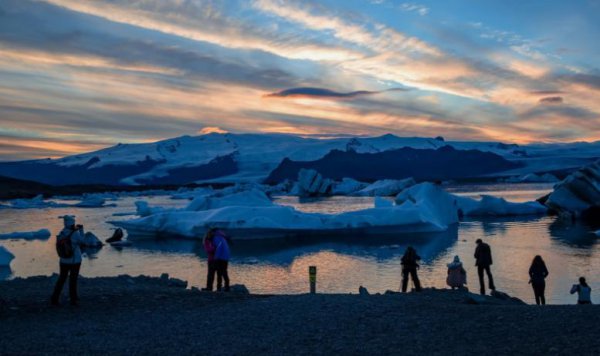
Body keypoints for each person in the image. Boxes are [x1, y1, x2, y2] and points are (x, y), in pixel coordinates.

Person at [51, 215, 84, 306]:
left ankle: (54, 298)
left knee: (61, 279)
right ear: (72, 223)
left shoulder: (61, 233)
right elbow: (82, 241)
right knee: (73, 279)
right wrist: (81, 230)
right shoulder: (75, 234)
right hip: (74, 261)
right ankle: (73, 299)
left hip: (63, 260)